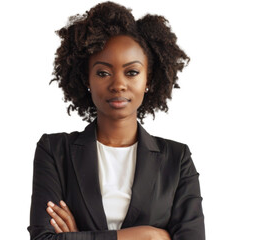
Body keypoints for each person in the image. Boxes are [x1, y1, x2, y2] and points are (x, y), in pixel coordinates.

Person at [27, 2, 205, 240]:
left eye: (132, 72)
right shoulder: (54, 151)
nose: (118, 84)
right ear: (86, 78)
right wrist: (149, 235)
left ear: (148, 79)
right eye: (103, 72)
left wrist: (81, 237)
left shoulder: (177, 159)